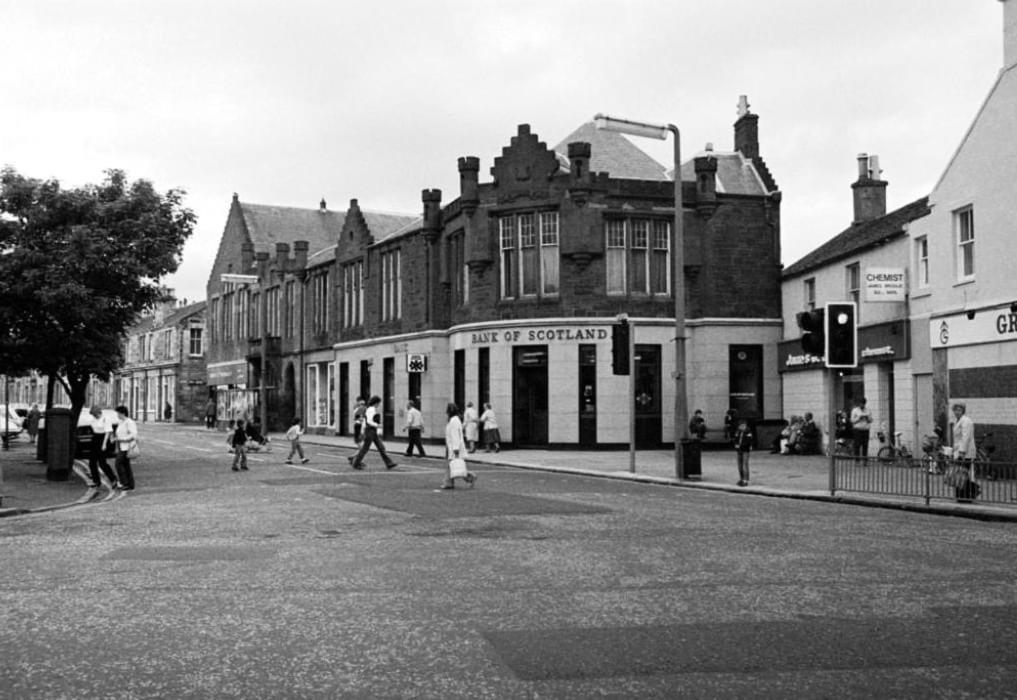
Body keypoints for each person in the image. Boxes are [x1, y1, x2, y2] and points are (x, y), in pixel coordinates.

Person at [348, 395, 397, 470]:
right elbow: (369, 421)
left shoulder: (371, 409)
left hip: (372, 431)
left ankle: (389, 463)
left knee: (381, 447)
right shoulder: (371, 409)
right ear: (376, 403)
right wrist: (377, 425)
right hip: (370, 431)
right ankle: (356, 463)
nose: (379, 404)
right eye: (378, 403)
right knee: (365, 448)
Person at [442, 402, 477, 490]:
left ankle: (469, 477)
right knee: (451, 465)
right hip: (451, 446)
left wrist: (456, 449)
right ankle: (448, 483)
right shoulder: (455, 420)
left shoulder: (454, 421)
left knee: (454, 466)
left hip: (454, 447)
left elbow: (455, 435)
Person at [951, 402, 979, 502]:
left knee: (963, 474)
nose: (957, 412)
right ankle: (961, 495)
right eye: (955, 410)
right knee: (960, 474)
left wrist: (962, 452)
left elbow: (965, 437)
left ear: (963, 410)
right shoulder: (957, 421)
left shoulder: (966, 421)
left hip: (965, 453)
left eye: (959, 410)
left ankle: (965, 496)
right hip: (959, 452)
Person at [86, 407, 119, 489]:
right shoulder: (94, 420)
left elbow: (108, 432)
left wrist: (104, 444)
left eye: (94, 414)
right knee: (92, 462)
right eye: (93, 415)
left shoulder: (105, 419)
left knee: (102, 463)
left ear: (98, 413)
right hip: (95, 439)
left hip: (103, 439)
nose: (94, 416)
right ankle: (96, 481)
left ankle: (113, 479)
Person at [112, 405, 138, 491]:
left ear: (122, 413)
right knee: (126, 465)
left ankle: (125, 483)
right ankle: (130, 484)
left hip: (127, 447)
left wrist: (122, 439)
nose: (117, 415)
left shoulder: (129, 422)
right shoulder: (121, 422)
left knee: (118, 464)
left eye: (118, 413)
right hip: (121, 446)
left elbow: (133, 435)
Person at [732, 418, 753, 487]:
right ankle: (741, 478)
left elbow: (749, 441)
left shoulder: (748, 431)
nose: (741, 427)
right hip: (739, 450)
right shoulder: (738, 431)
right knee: (740, 466)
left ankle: (746, 480)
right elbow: (735, 439)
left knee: (745, 465)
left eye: (742, 426)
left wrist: (741, 445)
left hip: (745, 450)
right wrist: (736, 445)